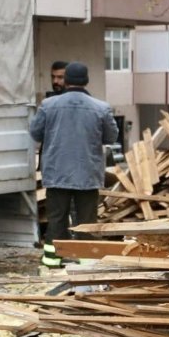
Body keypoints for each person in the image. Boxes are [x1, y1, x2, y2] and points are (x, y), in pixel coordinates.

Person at [28, 62, 119, 268]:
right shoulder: (101, 108)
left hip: (56, 173)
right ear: (86, 81)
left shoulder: (48, 105)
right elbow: (111, 137)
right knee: (86, 221)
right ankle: (86, 262)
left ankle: (52, 262)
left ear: (66, 80)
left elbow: (35, 133)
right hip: (87, 174)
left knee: (56, 220)